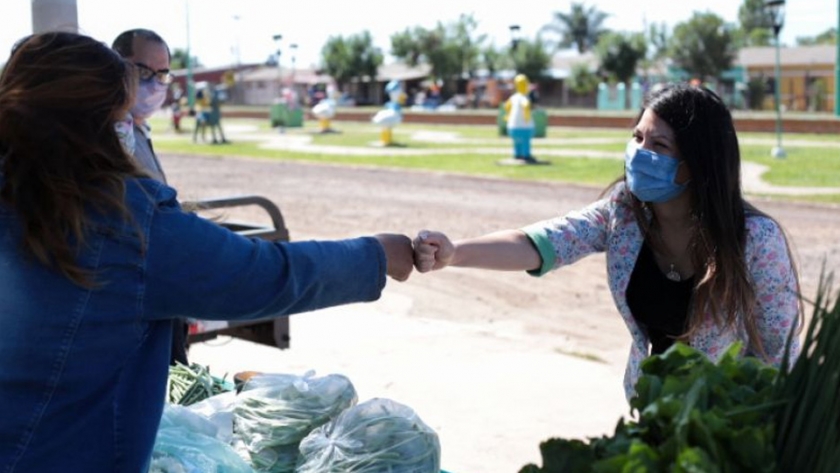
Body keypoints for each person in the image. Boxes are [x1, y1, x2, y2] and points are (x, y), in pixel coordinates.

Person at [0, 32, 414, 472]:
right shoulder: (119, 221)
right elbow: (260, 277)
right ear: (99, 120)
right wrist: (375, 254)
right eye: (121, 114)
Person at [414, 83, 802, 401]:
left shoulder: (756, 241)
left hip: (728, 427)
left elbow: (779, 353)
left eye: (659, 146)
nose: (639, 153)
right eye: (637, 137)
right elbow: (544, 242)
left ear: (698, 163)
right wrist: (455, 253)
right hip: (651, 411)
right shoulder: (625, 213)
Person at [112, 28, 190, 366]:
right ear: (116, 67)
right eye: (144, 71)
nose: (155, 82)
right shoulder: (110, 133)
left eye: (162, 74)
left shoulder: (136, 130)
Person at [504, 73, 536, 163]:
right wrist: (527, 116)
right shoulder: (524, 98)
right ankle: (526, 155)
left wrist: (508, 115)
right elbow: (525, 105)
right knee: (525, 141)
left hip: (512, 126)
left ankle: (517, 154)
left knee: (517, 142)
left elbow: (507, 106)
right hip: (524, 126)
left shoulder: (513, 97)